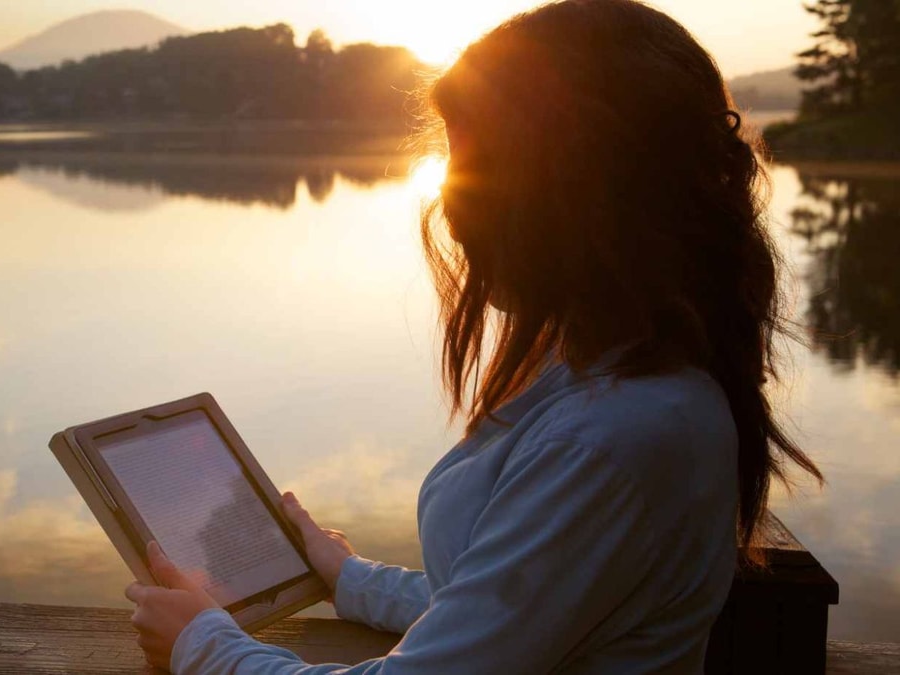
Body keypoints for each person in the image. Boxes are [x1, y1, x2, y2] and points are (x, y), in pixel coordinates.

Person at [123, 0, 823, 672]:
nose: (452, 208)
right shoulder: (608, 372)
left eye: (478, 164)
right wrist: (350, 577)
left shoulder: (616, 436)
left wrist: (202, 645)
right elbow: (522, 610)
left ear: (574, 187)